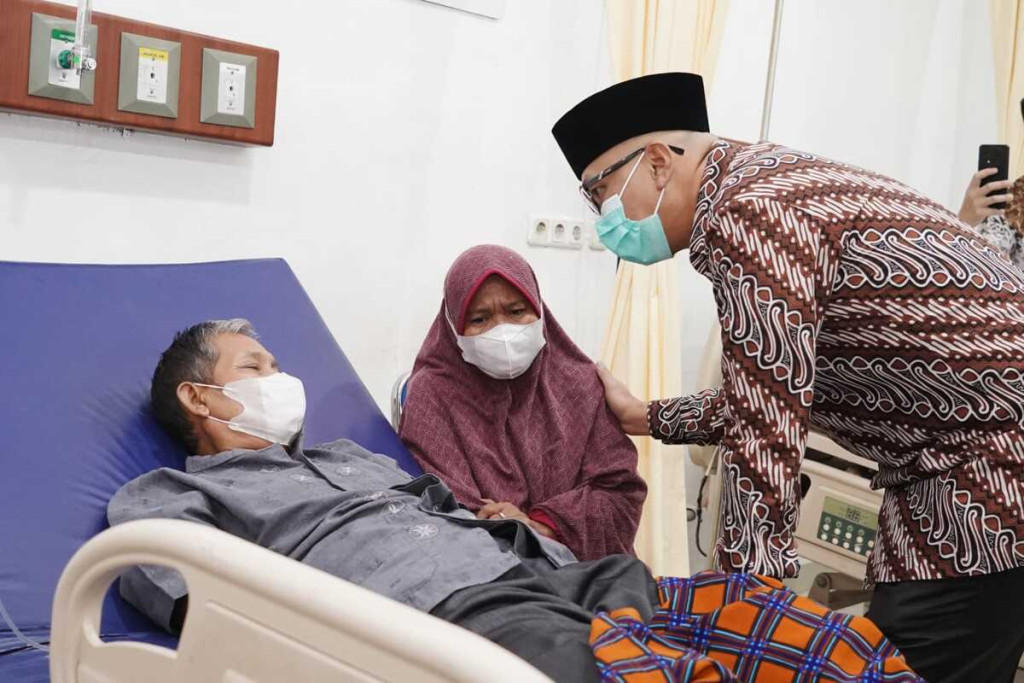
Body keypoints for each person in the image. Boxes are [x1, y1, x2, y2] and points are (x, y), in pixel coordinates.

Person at [112, 319, 923, 682]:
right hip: (446, 612)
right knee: (635, 671)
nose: (281, 377)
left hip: (557, 573)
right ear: (199, 397)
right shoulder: (172, 495)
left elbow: (440, 502)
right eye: (255, 367)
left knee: (780, 624)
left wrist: (500, 522)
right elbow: (194, 600)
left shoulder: (346, 455)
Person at [551, 72, 1024, 682]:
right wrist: (648, 417)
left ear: (660, 163)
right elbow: (774, 382)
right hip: (963, 464)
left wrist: (740, 610)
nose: (604, 218)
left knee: (905, 668)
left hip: (988, 482)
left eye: (601, 193)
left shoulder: (749, 213)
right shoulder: (766, 182)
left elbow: (765, 429)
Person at [399, 245, 646, 560]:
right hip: (488, 575)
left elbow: (620, 495)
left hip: (588, 572)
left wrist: (542, 527)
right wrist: (505, 527)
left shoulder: (580, 385)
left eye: (516, 312)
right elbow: (437, 508)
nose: (502, 331)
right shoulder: (432, 396)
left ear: (539, 309)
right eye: (480, 319)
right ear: (454, 327)